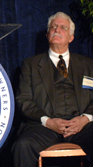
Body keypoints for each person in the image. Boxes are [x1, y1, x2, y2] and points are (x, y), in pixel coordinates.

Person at [12, 12, 93, 167]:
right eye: (53, 27)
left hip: (82, 126)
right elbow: (23, 100)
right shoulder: (30, 65)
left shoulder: (88, 65)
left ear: (71, 37)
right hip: (44, 127)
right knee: (23, 145)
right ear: (48, 34)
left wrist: (85, 118)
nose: (57, 29)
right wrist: (48, 121)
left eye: (63, 27)